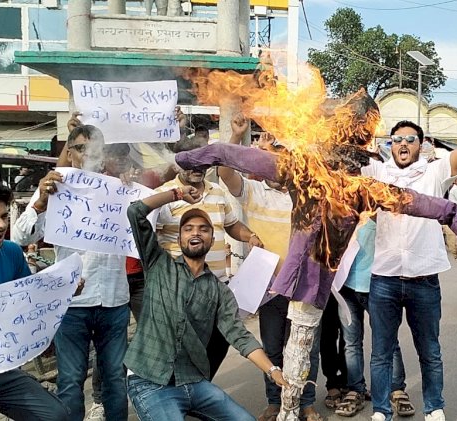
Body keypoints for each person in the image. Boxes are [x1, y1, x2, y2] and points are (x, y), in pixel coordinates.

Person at [175, 88, 457, 421]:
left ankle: (291, 408)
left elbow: (419, 202)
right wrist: (194, 157)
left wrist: (452, 217)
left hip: (314, 284)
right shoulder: (314, 173)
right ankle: (287, 408)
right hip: (299, 281)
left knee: (300, 351)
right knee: (294, 350)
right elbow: (236, 156)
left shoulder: (343, 182)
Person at [360, 77, 457, 421]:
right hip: (383, 277)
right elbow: (349, 157)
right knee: (381, 351)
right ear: (390, 145)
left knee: (430, 350)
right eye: (396, 139)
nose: (402, 144)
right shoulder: (376, 171)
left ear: (421, 145)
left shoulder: (434, 172)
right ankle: (381, 409)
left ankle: (435, 407)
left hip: (423, 278)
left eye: (410, 139)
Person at [124, 185, 287, 420]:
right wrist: (177, 195)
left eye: (203, 229)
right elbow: (135, 212)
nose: (195, 233)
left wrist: (272, 371)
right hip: (150, 382)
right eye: (188, 229)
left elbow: (239, 335)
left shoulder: (219, 291)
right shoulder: (159, 265)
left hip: (194, 382)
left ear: (212, 238)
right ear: (180, 237)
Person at [11, 125, 130, 421]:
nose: (87, 153)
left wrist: (134, 196)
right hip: (72, 303)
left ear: (104, 153)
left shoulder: (118, 190)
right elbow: (21, 237)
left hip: (114, 300)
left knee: (115, 378)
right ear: (71, 152)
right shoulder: (54, 188)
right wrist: (40, 201)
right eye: (79, 148)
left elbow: (146, 228)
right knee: (70, 380)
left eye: (94, 147)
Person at [216, 125, 324, 421]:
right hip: (269, 288)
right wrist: (237, 138)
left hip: (304, 287)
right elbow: (225, 173)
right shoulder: (252, 189)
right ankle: (275, 401)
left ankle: (306, 402)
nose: (280, 163)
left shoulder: (307, 194)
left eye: (286, 157)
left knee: (305, 349)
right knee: (273, 347)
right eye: (274, 156)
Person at [155, 135, 263, 379]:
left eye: (203, 162)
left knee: (220, 341)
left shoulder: (217, 193)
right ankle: (180, 396)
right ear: (178, 164)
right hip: (181, 288)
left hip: (217, 286)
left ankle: (200, 389)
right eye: (192, 163)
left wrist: (250, 236)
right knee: (183, 347)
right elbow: (151, 238)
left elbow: (232, 225)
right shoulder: (165, 195)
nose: (198, 168)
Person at [0, 180, 69, 420]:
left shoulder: (11, 252)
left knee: (55, 415)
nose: (0, 224)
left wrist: (60, 290)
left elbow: (29, 302)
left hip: (0, 369)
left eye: (3, 216)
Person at [335, 218, 415, 418]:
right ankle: (356, 390)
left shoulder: (382, 207)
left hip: (379, 286)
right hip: (345, 287)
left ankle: (396, 389)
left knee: (388, 341)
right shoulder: (344, 207)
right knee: (351, 342)